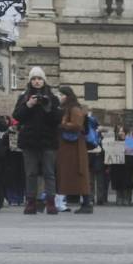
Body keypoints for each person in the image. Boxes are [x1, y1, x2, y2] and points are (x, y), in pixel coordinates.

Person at [12, 67, 63, 215]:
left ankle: (51, 203)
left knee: (49, 172)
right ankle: (31, 202)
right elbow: (17, 116)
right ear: (30, 81)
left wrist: (48, 107)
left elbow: (58, 119)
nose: (37, 81)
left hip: (48, 140)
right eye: (34, 79)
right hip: (29, 141)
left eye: (39, 78)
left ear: (44, 81)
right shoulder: (24, 97)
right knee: (31, 173)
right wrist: (28, 105)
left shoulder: (52, 98)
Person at [55, 86, 92, 214]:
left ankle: (87, 203)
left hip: (75, 147)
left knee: (80, 174)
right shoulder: (66, 108)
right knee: (70, 174)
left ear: (68, 96)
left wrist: (62, 125)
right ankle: (82, 203)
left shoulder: (74, 108)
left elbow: (77, 125)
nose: (60, 97)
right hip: (68, 147)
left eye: (61, 95)